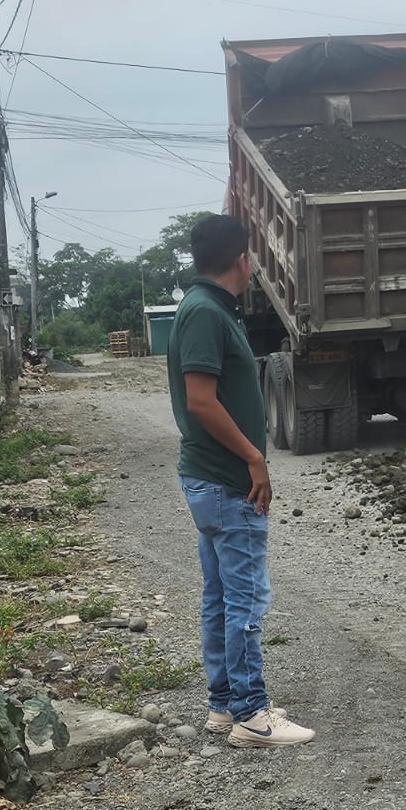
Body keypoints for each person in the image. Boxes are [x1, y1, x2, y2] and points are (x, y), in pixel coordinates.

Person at [167, 213, 315, 747]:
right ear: (241, 260)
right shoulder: (205, 312)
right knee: (246, 599)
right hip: (228, 481)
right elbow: (201, 401)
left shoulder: (205, 307)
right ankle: (252, 714)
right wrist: (255, 458)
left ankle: (224, 706)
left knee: (221, 596)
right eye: (251, 255)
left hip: (213, 480)